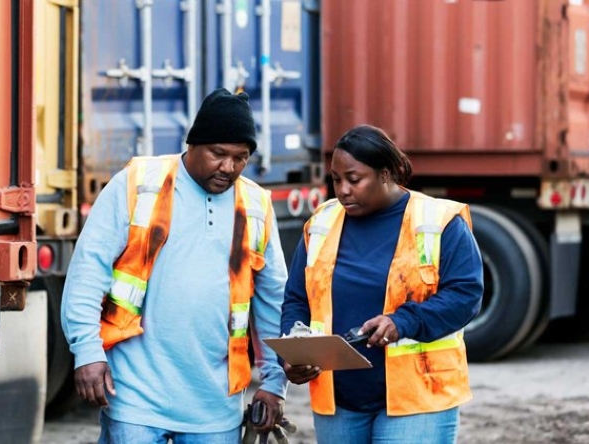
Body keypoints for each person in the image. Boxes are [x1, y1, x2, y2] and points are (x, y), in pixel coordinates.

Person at [61, 88, 289, 444]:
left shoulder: (256, 205)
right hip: (135, 395)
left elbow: (274, 300)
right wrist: (87, 351)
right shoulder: (138, 184)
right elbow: (88, 271)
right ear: (193, 144)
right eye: (218, 154)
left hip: (215, 406)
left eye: (240, 157)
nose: (228, 168)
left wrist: (275, 382)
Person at [280, 124, 483, 443]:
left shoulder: (439, 221)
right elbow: (297, 299)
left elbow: (465, 296)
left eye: (354, 179)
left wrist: (401, 321)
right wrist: (293, 352)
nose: (343, 189)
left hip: (418, 400)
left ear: (385, 174)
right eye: (336, 179)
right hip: (340, 404)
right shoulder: (320, 223)